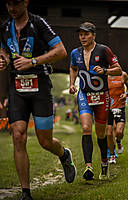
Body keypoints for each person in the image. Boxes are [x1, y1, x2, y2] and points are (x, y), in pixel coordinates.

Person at [0, 0, 76, 199]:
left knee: (45, 141)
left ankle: (64, 155)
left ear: (25, 2)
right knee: (18, 135)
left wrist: (33, 61)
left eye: (16, 3)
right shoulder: (5, 27)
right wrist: (4, 59)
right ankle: (25, 192)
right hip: (17, 87)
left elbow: (61, 51)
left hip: (40, 86)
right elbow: (4, 51)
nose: (12, 8)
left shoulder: (38, 23)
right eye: (8, 4)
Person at [69, 22, 122, 180]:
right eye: (80, 35)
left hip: (102, 96)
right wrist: (72, 84)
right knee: (86, 128)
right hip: (84, 94)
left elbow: (118, 69)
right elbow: (73, 68)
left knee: (100, 133)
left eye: (86, 34)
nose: (83, 37)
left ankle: (104, 164)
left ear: (94, 35)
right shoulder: (75, 53)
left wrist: (105, 70)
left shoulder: (103, 50)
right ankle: (88, 167)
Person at [107, 71, 128, 164]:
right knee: (109, 133)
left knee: (119, 132)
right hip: (108, 108)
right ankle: (112, 155)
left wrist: (126, 94)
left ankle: (118, 141)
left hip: (120, 106)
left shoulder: (123, 75)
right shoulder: (104, 76)